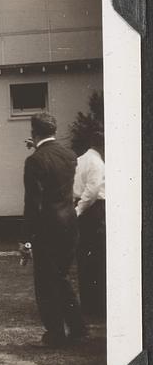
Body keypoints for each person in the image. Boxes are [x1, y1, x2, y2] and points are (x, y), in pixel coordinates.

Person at [19, 113, 88, 347]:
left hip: (47, 230)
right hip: (70, 225)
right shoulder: (69, 155)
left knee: (46, 283)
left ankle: (56, 333)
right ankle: (77, 327)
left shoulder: (34, 160)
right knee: (62, 277)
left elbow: (33, 204)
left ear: (33, 132)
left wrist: (26, 239)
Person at [73, 131, 106, 318]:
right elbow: (92, 191)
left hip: (84, 209)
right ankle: (96, 306)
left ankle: (89, 304)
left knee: (86, 258)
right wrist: (80, 209)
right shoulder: (96, 162)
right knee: (97, 258)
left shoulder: (80, 160)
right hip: (93, 210)